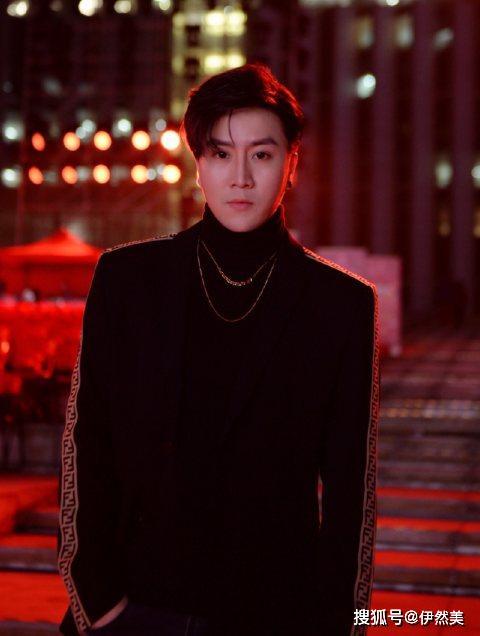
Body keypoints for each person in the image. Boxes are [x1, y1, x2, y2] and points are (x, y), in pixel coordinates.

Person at [57, 62, 379, 636]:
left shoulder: (341, 305)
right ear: (198, 164)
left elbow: (351, 495)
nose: (241, 178)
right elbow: (88, 444)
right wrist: (98, 604)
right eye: (221, 153)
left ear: (292, 163)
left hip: (273, 614)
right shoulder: (128, 279)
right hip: (134, 605)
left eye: (262, 154)